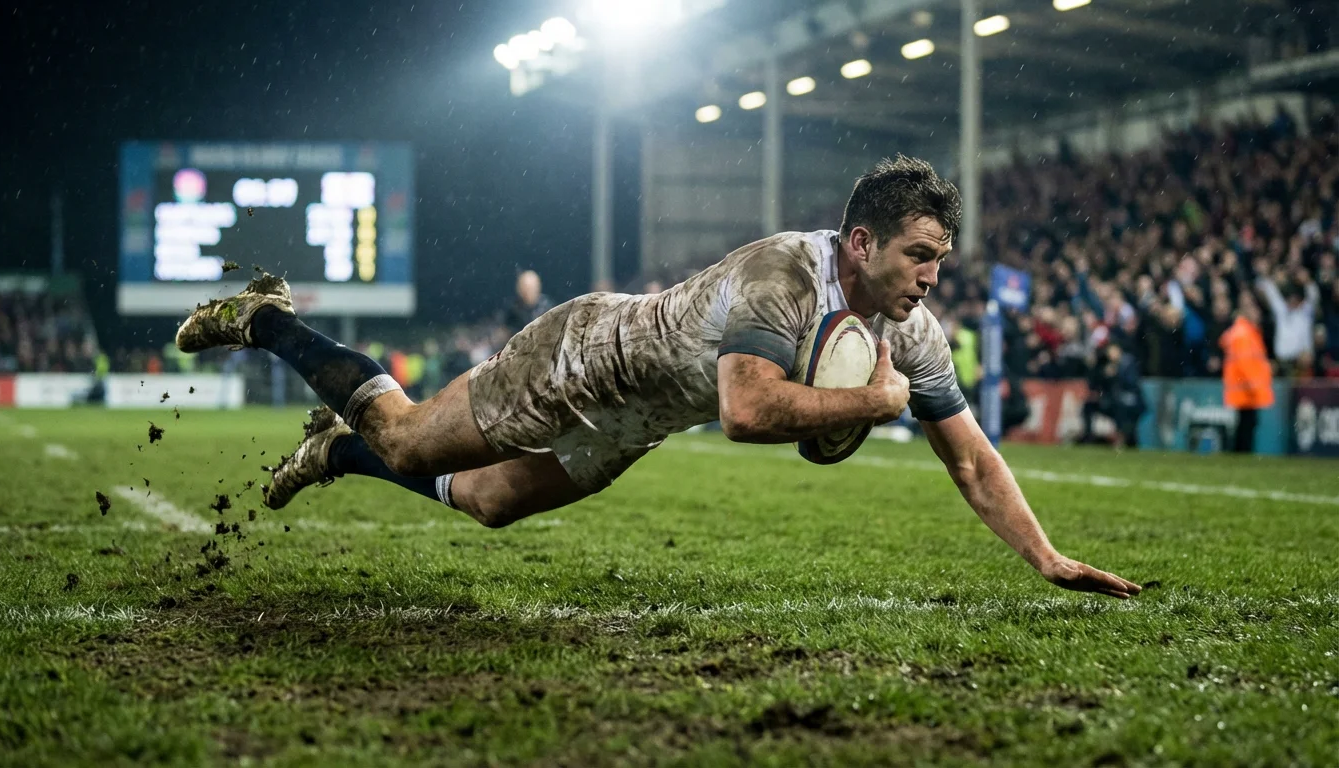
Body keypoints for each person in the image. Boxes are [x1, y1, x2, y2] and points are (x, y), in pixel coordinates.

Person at [175, 156, 1140, 600]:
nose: (933, 276)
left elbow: (971, 459)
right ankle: (267, 318)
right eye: (922, 254)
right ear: (861, 242)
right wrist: (870, 403)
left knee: (489, 506)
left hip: (636, 420)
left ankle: (336, 455)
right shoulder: (782, 274)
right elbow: (748, 409)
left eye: (942, 259)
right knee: (411, 438)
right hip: (586, 358)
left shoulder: (912, 331)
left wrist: (1045, 557)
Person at [1220, 297, 1275, 453]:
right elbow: (1246, 364)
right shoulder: (1244, 333)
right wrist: (1254, 385)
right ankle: (1242, 452)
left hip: (1243, 387)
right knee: (1247, 424)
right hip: (1246, 389)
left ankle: (1240, 453)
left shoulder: (1243, 332)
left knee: (1244, 423)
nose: (1258, 314)